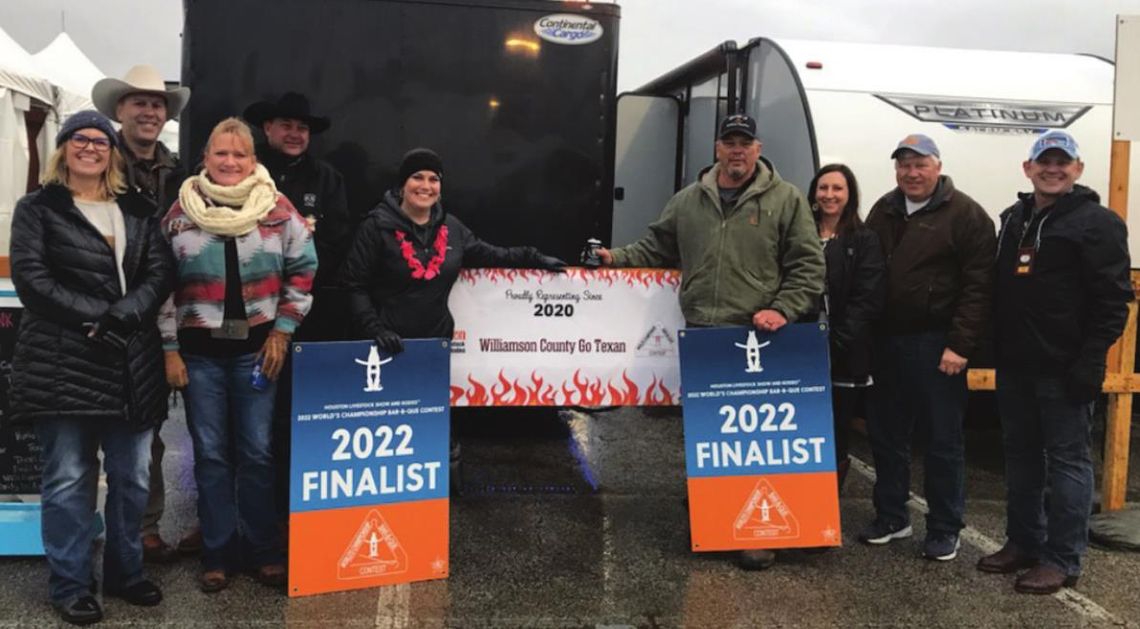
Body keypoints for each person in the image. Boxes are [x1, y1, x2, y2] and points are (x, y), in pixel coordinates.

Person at [597, 113, 825, 570]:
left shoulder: (786, 199)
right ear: (717, 148)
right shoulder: (688, 201)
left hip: (760, 337)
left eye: (744, 142)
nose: (736, 150)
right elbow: (655, 246)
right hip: (703, 333)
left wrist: (782, 309)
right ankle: (716, 521)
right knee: (708, 437)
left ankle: (757, 533)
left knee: (755, 438)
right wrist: (613, 258)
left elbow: (809, 265)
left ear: (757, 148)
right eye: (728, 142)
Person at [9, 111, 173, 625]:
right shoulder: (37, 208)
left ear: (112, 152)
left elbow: (160, 270)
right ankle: (71, 584)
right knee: (68, 481)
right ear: (63, 148)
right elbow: (32, 279)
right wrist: (100, 318)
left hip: (131, 365)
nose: (89, 148)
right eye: (79, 139)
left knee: (132, 479)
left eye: (99, 141)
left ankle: (127, 573)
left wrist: (127, 314)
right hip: (65, 362)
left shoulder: (139, 209)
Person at [159, 117, 317, 593]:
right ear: (205, 158)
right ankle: (218, 551)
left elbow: (304, 268)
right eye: (221, 153)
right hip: (199, 355)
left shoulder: (277, 209)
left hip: (258, 352)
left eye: (240, 154)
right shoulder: (180, 214)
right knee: (209, 455)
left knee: (256, 452)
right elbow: (161, 286)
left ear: (254, 161)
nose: (230, 162)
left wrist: (283, 332)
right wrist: (169, 348)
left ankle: (264, 549)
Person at [978, 131, 1132, 594]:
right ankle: (1023, 542)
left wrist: (1090, 362)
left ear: (1078, 169)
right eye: (1044, 161)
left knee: (1068, 463)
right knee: (1021, 459)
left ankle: (1063, 558)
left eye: (1063, 162)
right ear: (1028, 169)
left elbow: (1113, 301)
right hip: (1015, 366)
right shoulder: (1014, 218)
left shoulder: (1097, 223)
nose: (1053, 169)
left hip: (1064, 369)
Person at [860, 134, 996, 561]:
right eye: (904, 165)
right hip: (887, 342)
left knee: (942, 440)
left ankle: (944, 527)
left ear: (937, 167)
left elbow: (980, 286)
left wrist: (960, 345)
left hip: (938, 344)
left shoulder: (967, 214)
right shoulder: (883, 209)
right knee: (885, 435)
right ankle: (892, 516)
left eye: (920, 164)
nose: (911, 173)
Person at [92, 63, 191, 563]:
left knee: (152, 425)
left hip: (178, 307)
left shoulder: (183, 172)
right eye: (140, 103)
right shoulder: (97, 163)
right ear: (120, 111)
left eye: (157, 104)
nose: (150, 111)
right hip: (121, 311)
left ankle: (149, 526)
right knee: (123, 428)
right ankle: (127, 529)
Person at [243, 92, 352, 531]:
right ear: (267, 129)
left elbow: (336, 241)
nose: (294, 134)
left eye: (302, 128)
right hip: (250, 317)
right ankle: (247, 514)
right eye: (285, 125)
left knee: (294, 416)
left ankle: (295, 513)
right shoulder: (244, 175)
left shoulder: (327, 180)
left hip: (304, 317)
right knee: (249, 422)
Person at [807, 164, 885, 491]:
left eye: (837, 188)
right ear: (813, 193)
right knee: (804, 429)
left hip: (844, 353)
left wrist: (834, 343)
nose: (829, 195)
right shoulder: (801, 233)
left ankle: (827, 505)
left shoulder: (864, 239)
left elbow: (868, 298)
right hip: (800, 350)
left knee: (836, 430)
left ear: (849, 194)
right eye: (823, 188)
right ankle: (803, 501)